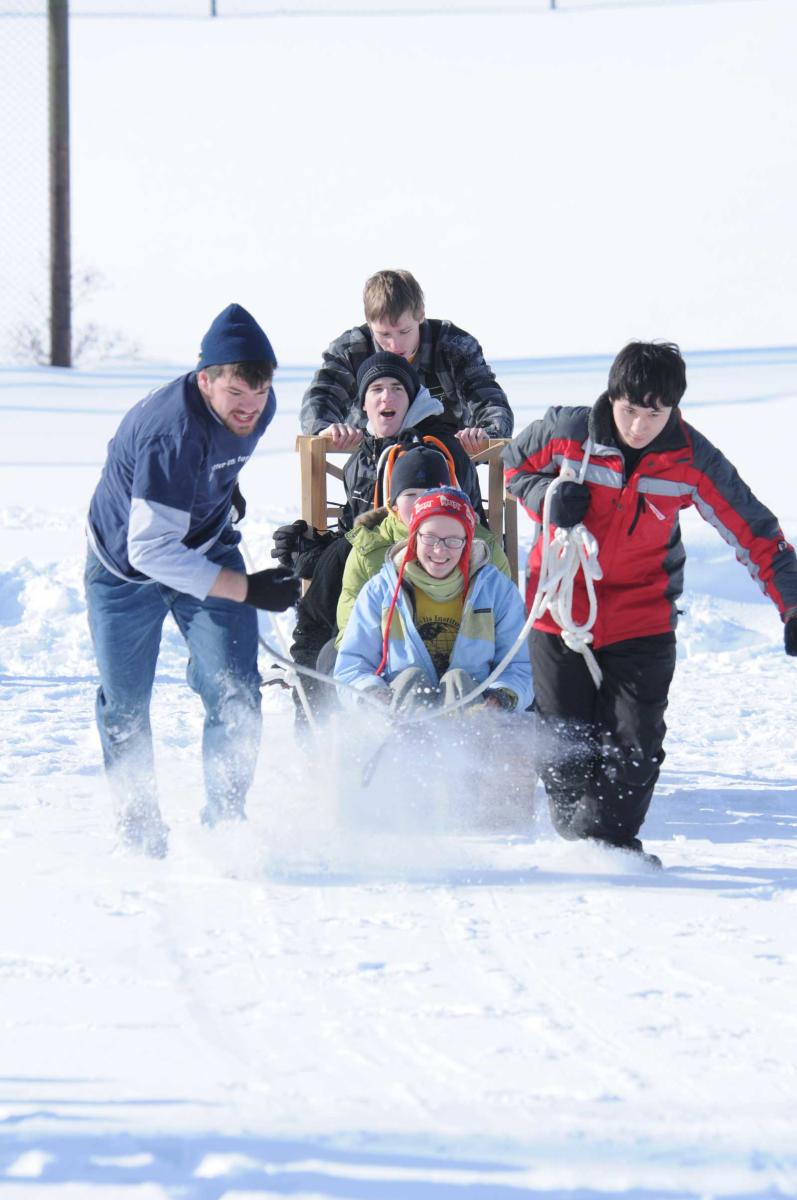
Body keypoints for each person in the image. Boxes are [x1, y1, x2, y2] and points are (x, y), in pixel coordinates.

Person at [503, 340, 797, 866]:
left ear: (673, 408)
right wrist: (546, 497)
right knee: (566, 748)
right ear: (611, 397)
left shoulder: (690, 457)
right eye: (629, 410)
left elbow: (753, 530)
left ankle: (609, 855)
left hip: (642, 619)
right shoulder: (566, 432)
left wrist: (793, 604)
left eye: (654, 413)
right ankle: (582, 840)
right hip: (560, 611)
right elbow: (512, 467)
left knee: (633, 750)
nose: (639, 425)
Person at [85, 303, 301, 858]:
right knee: (126, 703)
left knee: (236, 689)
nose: (249, 410)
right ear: (203, 380)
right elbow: (151, 550)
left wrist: (220, 490)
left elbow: (220, 453)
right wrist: (249, 589)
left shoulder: (260, 404)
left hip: (205, 542)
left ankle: (225, 826)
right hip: (124, 570)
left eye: (258, 397)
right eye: (235, 397)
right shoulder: (170, 433)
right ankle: (139, 833)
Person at [289, 445, 512, 725]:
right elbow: (348, 631)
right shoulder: (366, 549)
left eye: (432, 493)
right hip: (388, 666)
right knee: (337, 657)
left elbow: (507, 627)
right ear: (392, 504)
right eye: (411, 495)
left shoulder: (484, 548)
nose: (422, 503)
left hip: (464, 666)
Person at [334, 487, 532, 714]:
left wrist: (502, 696)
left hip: (474, 716)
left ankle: (465, 747)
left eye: (453, 541)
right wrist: (371, 693)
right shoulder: (381, 590)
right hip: (400, 713)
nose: (439, 550)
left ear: (467, 541)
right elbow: (352, 664)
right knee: (411, 679)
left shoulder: (496, 590)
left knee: (458, 681)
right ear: (414, 537)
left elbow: (519, 664)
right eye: (429, 537)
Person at [300, 268, 513, 454]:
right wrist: (324, 429)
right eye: (384, 335)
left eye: (404, 331)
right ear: (369, 324)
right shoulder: (350, 350)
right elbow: (320, 398)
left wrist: (486, 433)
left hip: (445, 465)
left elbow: (490, 401)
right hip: (372, 466)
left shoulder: (454, 346)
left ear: (420, 315)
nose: (395, 346)